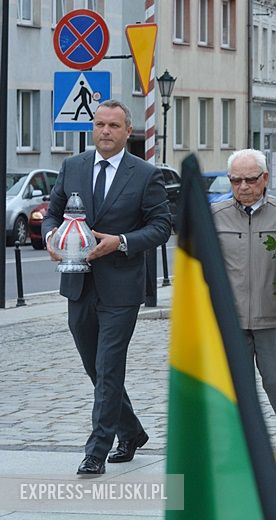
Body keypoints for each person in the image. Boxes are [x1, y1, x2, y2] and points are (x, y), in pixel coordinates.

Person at [42, 100, 171, 476]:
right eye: (100, 124)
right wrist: (52, 236)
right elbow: (53, 212)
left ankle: (97, 450)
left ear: (128, 131)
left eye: (114, 126)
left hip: (121, 288)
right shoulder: (73, 166)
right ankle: (131, 431)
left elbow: (161, 226)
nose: (105, 132)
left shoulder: (145, 174)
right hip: (78, 283)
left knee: (109, 366)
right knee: (95, 368)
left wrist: (122, 241)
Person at [212, 149, 276, 459]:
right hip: (231, 317)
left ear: (265, 178)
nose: (243, 187)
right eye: (235, 180)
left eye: (251, 179)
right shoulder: (216, 216)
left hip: (273, 312)